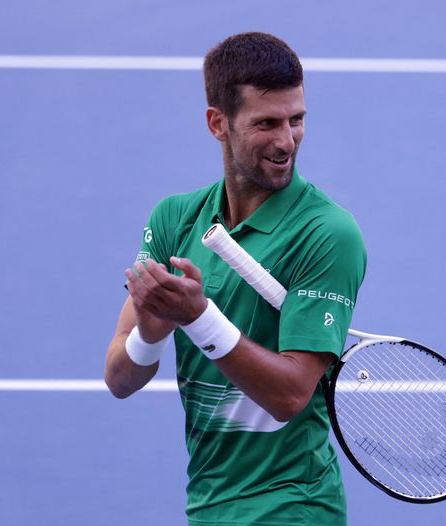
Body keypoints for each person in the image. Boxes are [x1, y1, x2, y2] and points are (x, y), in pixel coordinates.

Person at [104, 32, 366, 526]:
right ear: (217, 124)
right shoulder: (174, 220)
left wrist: (198, 317)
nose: (286, 141)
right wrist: (152, 336)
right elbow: (119, 378)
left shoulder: (327, 233)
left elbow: (290, 396)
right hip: (209, 502)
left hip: (291, 506)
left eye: (297, 120)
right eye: (266, 123)